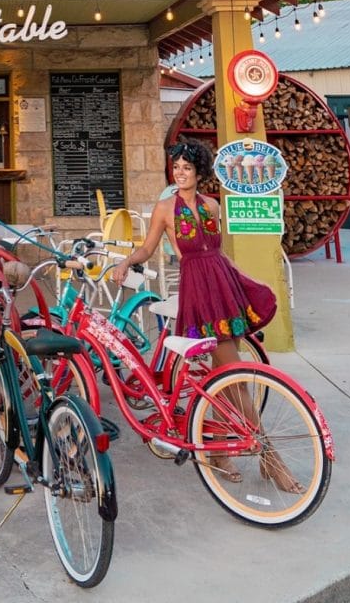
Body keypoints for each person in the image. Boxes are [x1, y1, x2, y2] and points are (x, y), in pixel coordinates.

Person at [111, 138, 303, 493]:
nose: (180, 173)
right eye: (176, 167)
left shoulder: (212, 206)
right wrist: (125, 261)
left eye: (187, 167)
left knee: (223, 374)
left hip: (223, 286)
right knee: (235, 376)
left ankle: (220, 454)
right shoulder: (165, 209)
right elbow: (148, 247)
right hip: (198, 295)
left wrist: (245, 280)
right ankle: (271, 458)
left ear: (199, 172)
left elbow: (218, 252)